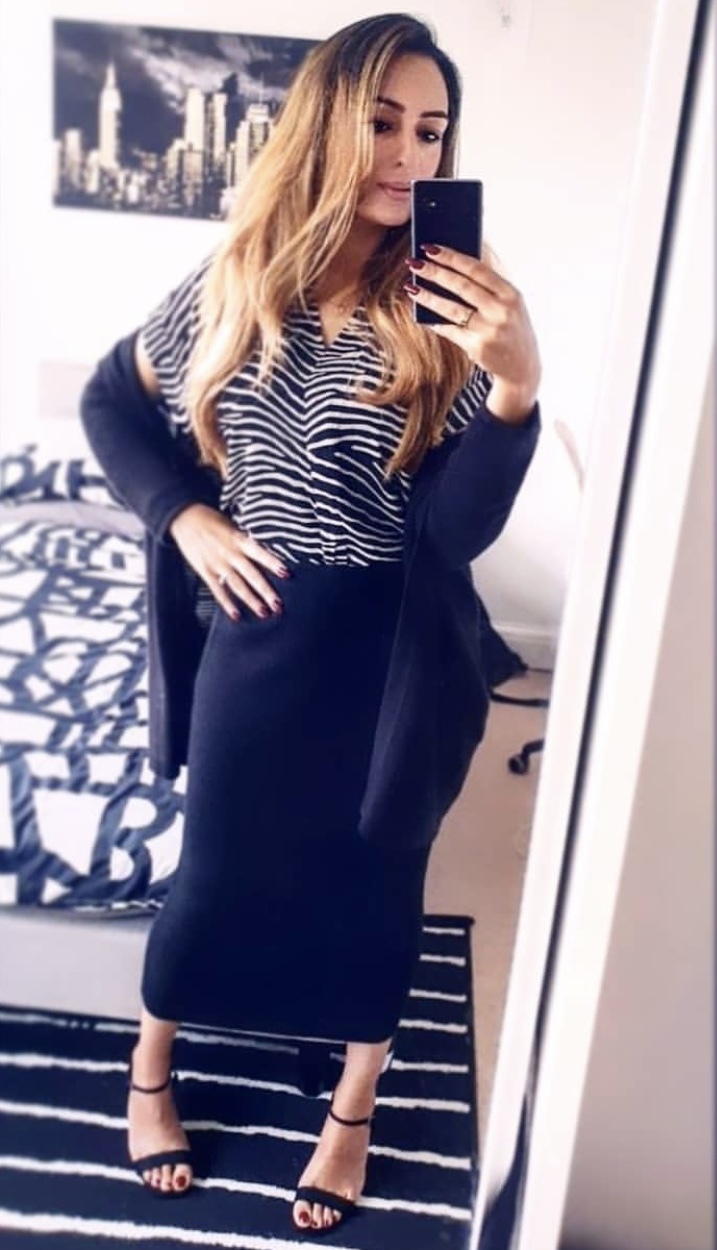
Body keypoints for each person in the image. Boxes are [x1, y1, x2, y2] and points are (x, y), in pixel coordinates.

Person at [81, 12, 541, 1237]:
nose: (410, 155)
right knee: (215, 872)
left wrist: (512, 388)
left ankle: (353, 1106)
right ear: (324, 126)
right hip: (259, 634)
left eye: (432, 131)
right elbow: (111, 399)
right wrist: (184, 513)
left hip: (392, 653)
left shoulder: (451, 304)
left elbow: (455, 534)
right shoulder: (236, 278)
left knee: (378, 881)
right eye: (383, 122)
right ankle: (150, 1065)